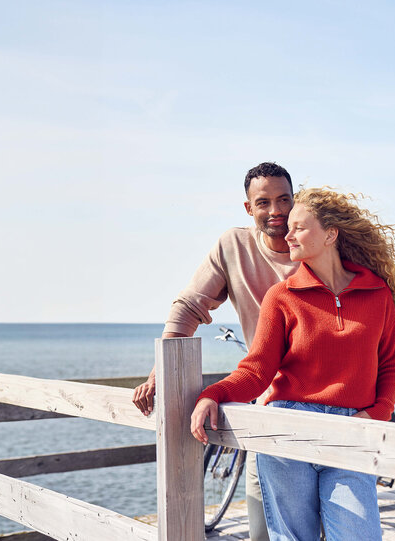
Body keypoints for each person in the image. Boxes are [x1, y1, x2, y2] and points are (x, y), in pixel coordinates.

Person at [189, 186, 395, 541]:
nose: (287, 233)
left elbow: (390, 365)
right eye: (289, 227)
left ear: (330, 234)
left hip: (351, 432)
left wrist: (377, 415)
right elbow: (257, 370)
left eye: (299, 226)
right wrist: (213, 394)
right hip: (287, 430)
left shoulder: (377, 293)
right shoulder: (281, 297)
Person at [132, 161, 296, 541]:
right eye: (264, 202)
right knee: (262, 530)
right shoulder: (234, 246)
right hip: (269, 402)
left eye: (284, 199)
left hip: (325, 403)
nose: (276, 211)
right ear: (248, 208)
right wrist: (161, 372)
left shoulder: (316, 245)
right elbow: (189, 306)